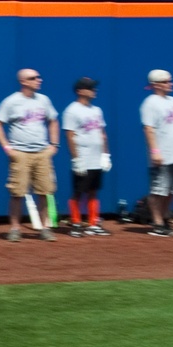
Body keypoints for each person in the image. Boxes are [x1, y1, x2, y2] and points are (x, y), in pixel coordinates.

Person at [0, 69, 60, 242]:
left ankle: (44, 228)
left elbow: (53, 121)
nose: (39, 80)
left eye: (39, 77)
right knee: (17, 192)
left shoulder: (44, 100)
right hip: (20, 153)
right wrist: (7, 148)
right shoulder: (11, 102)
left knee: (44, 192)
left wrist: (54, 144)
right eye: (33, 78)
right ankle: (15, 228)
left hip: (42, 152)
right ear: (23, 82)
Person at [62, 77, 111, 237]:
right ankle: (75, 223)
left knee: (93, 191)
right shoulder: (72, 110)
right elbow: (69, 136)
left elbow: (102, 134)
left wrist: (105, 155)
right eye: (90, 88)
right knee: (78, 192)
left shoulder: (97, 110)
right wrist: (76, 159)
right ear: (80, 91)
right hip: (83, 158)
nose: (94, 91)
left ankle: (93, 223)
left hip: (97, 159)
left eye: (93, 88)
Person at [140, 69, 173, 237]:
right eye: (167, 82)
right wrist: (155, 151)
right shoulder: (150, 103)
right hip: (162, 154)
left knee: (171, 191)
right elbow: (148, 128)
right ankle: (157, 222)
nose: (171, 84)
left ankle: (164, 217)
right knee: (159, 190)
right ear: (156, 85)